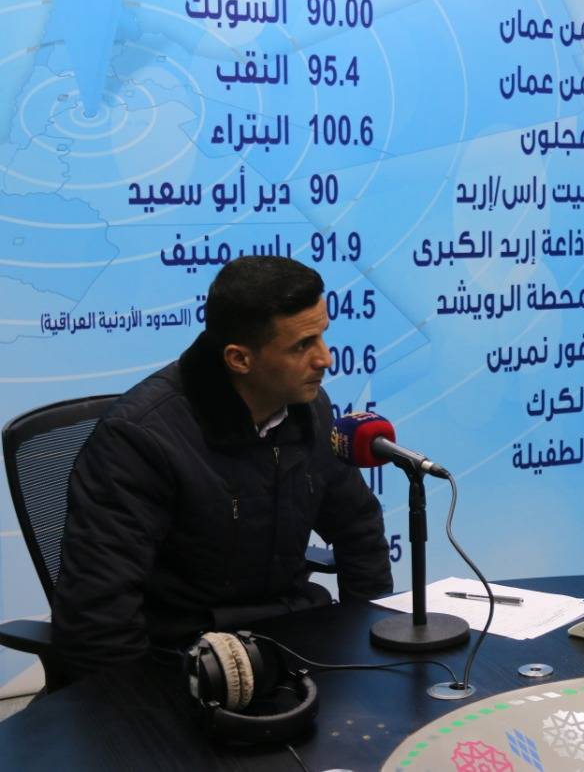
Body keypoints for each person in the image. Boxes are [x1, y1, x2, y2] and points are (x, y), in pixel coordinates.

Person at [52, 256, 392, 682]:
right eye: (302, 345)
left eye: (323, 336)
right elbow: (98, 615)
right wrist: (138, 712)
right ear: (239, 359)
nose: (325, 359)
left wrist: (371, 640)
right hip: (184, 662)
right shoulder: (139, 440)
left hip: (290, 640)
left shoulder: (310, 411)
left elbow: (358, 526)